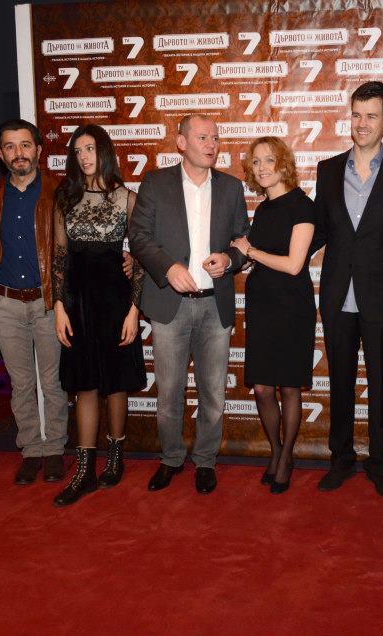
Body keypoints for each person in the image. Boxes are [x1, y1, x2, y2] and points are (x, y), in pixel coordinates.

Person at [311, 81, 383, 499]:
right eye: (357, 115)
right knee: (339, 384)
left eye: (372, 116)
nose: (362, 123)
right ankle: (340, 459)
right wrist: (267, 251)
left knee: (380, 387)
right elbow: (317, 232)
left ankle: (380, 464)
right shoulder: (327, 170)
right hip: (337, 297)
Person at [128, 115, 249, 495]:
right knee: (169, 393)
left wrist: (229, 259)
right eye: (202, 137)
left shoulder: (231, 187)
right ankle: (171, 458)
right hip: (170, 306)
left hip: (215, 306)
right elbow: (138, 236)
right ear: (181, 143)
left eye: (215, 137)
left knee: (214, 393)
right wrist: (168, 267)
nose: (212, 144)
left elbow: (243, 240)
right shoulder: (155, 183)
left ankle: (206, 460)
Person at [51, 124, 146, 507]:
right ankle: (85, 469)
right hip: (77, 303)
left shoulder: (127, 198)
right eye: (78, 151)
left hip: (116, 302)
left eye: (90, 148)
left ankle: (116, 456)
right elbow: (60, 257)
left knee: (115, 382)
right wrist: (59, 306)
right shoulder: (65, 197)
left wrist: (134, 310)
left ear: (104, 151)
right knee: (84, 384)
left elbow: (140, 258)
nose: (84, 157)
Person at [0, 119, 68, 485]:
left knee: (53, 382)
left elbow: (73, 247)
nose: (19, 153)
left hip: (47, 303)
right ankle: (31, 449)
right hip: (5, 303)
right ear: (1, 155)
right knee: (20, 384)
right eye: (10, 146)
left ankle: (55, 449)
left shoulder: (59, 191)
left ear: (39, 150)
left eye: (25, 145)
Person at [230, 137, 316, 494]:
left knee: (289, 386)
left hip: (292, 306)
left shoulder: (303, 206)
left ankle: (286, 456)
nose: (262, 168)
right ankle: (277, 450)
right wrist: (237, 255)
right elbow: (254, 255)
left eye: (269, 160)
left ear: (283, 164)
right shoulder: (263, 209)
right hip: (262, 304)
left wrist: (250, 250)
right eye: (256, 162)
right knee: (263, 387)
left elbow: (294, 265)